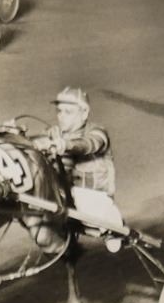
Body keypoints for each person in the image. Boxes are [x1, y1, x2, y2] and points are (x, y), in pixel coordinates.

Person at [33, 87, 125, 242]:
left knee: (87, 205)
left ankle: (113, 226)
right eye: (59, 111)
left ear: (84, 113)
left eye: (68, 112)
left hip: (93, 196)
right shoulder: (53, 132)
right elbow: (35, 142)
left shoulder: (97, 132)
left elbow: (89, 144)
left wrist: (66, 145)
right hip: (62, 194)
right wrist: (15, 135)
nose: (61, 116)